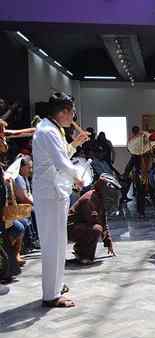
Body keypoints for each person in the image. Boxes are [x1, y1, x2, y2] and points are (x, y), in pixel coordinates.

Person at [32, 92, 87, 308]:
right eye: (72, 112)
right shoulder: (48, 131)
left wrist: (75, 143)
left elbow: (62, 155)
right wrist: (78, 178)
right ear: (63, 111)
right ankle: (51, 294)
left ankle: (55, 286)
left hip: (54, 191)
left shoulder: (52, 129)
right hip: (50, 192)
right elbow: (62, 163)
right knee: (53, 243)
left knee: (57, 241)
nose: (73, 116)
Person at [67, 174, 120, 265]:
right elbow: (96, 222)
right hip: (69, 228)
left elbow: (103, 221)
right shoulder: (89, 199)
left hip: (80, 225)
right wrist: (104, 235)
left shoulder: (99, 199)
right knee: (96, 229)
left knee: (97, 228)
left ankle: (83, 252)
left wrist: (108, 242)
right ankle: (82, 254)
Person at [14, 154, 40, 252]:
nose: (31, 170)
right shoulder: (18, 178)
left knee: (35, 209)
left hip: (24, 205)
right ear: (21, 168)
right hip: (18, 207)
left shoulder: (25, 178)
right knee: (33, 210)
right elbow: (23, 198)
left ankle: (36, 238)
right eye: (28, 168)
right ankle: (32, 240)